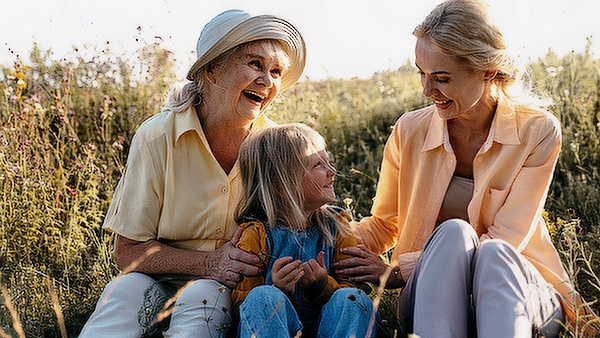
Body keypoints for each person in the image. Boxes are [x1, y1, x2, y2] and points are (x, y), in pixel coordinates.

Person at [333, 0, 599, 337]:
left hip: (518, 289)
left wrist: (398, 271)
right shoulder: (409, 131)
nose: (427, 91)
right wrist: (323, 236)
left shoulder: (538, 131)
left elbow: (508, 237)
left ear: (488, 70)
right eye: (421, 73)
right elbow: (386, 224)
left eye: (441, 78)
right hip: (434, 296)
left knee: (493, 253)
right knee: (455, 234)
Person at [78, 9, 306, 337]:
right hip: (154, 279)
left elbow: (300, 234)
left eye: (275, 71)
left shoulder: (275, 147)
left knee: (202, 299)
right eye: (255, 64)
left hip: (229, 291)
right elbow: (127, 251)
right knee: (124, 294)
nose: (267, 81)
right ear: (212, 69)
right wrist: (207, 263)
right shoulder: (158, 136)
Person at [231, 123, 377, 338]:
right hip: (278, 330)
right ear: (281, 185)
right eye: (319, 164)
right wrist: (278, 289)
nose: (332, 172)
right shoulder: (256, 234)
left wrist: (322, 287)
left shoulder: (337, 225)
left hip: (326, 329)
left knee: (353, 299)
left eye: (328, 162)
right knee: (262, 297)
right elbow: (242, 307)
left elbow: (353, 287)